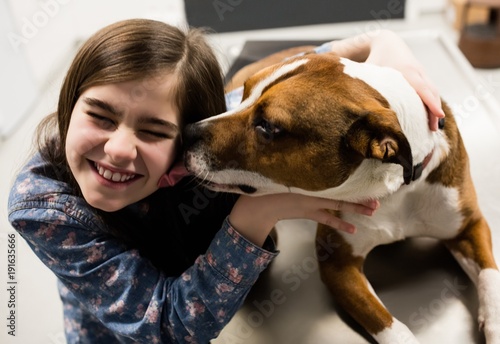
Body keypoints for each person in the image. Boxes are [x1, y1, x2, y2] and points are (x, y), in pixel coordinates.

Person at [7, 19, 444, 344]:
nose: (120, 149)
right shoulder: (42, 205)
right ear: (69, 104)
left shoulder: (210, 127)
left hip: (246, 293)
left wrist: (390, 44)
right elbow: (167, 327)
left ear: (191, 128)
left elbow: (313, 73)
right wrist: (259, 211)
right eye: (101, 116)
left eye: (154, 131)